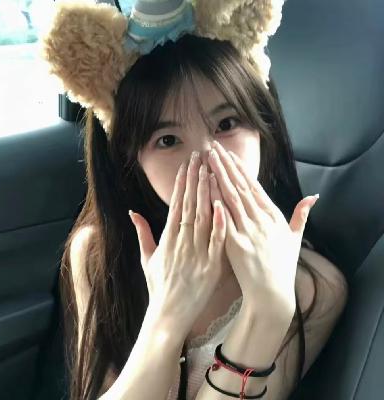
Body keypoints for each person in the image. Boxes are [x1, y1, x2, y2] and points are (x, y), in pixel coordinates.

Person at [40, 1, 349, 399]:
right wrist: (167, 316)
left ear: (263, 131)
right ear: (133, 162)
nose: (206, 158)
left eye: (226, 124)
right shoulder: (99, 255)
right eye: (168, 140)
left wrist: (268, 312)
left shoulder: (314, 288)